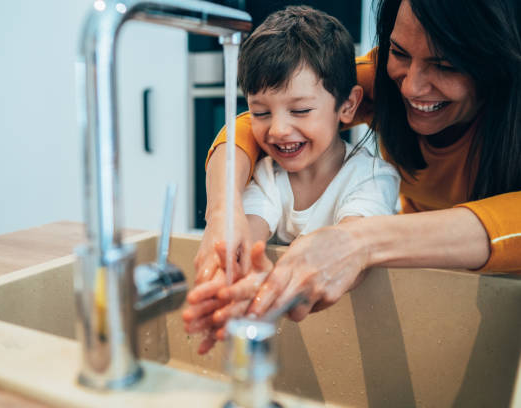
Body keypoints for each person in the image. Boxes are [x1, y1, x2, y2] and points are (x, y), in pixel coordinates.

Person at [186, 0, 521, 353]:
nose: (410, 87)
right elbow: (250, 127)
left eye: (446, 65)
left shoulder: (371, 176)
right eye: (399, 52)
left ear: (498, 60)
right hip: (418, 279)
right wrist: (224, 213)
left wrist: (358, 242)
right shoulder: (384, 79)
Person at [183, 5, 401, 352]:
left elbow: (354, 245)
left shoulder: (372, 177)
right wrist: (236, 277)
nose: (279, 129)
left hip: (363, 342)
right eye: (260, 112)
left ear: (347, 106)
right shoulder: (269, 175)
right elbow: (249, 236)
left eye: (300, 110)